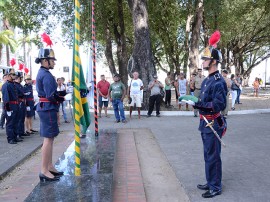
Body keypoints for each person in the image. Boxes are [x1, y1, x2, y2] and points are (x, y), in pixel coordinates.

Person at [180, 31, 227, 198]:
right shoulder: (207, 79)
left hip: (213, 124)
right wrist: (193, 100)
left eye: (206, 59)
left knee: (213, 155)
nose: (203, 62)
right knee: (208, 154)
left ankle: (215, 186)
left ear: (214, 62)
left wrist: (197, 103)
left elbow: (218, 105)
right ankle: (210, 180)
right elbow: (202, 99)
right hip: (205, 122)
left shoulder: (218, 81)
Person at [35, 47, 65, 182]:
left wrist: (59, 96)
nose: (54, 63)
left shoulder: (43, 73)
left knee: (50, 138)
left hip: (46, 107)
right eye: (52, 60)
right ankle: (44, 170)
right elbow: (51, 95)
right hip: (48, 108)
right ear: (46, 61)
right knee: (48, 139)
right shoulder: (46, 75)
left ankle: (49, 166)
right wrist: (61, 98)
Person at [2, 68, 22, 144]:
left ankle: (15, 136)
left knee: (16, 122)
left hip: (16, 105)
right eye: (13, 74)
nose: (15, 76)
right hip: (10, 106)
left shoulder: (13, 84)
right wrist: (8, 109)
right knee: (10, 123)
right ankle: (10, 138)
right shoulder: (6, 85)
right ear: (8, 75)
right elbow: (6, 98)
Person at [14, 71, 27, 140]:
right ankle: (18, 133)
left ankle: (21, 131)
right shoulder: (15, 85)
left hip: (23, 102)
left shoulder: (20, 85)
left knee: (22, 118)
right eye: (20, 78)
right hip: (19, 102)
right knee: (19, 119)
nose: (20, 79)